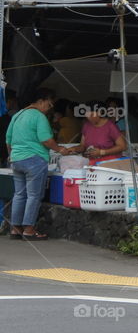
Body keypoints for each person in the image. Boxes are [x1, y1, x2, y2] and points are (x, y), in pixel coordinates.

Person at [6, 88, 70, 240]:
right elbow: (46, 140)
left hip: (17, 159)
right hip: (34, 159)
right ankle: (29, 230)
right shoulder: (39, 117)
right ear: (41, 101)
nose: (50, 108)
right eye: (49, 104)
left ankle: (15, 229)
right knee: (34, 195)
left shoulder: (18, 115)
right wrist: (60, 149)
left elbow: (8, 139)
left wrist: (12, 156)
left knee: (19, 194)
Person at [0, 90, 18, 165]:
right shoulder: (3, 116)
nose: (15, 103)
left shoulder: (5, 115)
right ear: (9, 101)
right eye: (14, 101)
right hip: (2, 153)